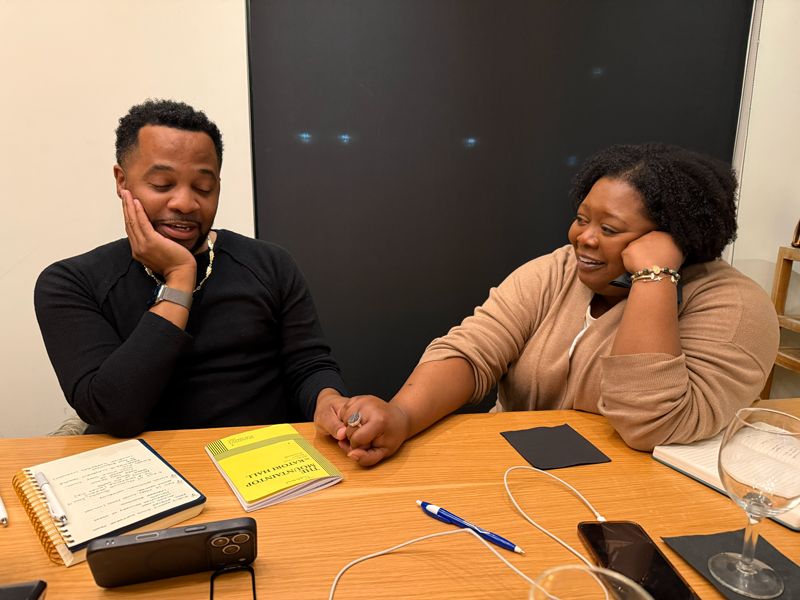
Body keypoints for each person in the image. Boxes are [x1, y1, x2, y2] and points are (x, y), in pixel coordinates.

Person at [315, 143, 780, 466]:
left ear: (674, 240)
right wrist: (401, 414)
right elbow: (474, 348)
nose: (584, 238)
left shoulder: (735, 307)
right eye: (581, 219)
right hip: (517, 472)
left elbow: (651, 424)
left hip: (641, 497)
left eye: (610, 229)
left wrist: (654, 278)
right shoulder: (558, 269)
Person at [35, 99, 348, 437]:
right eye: (162, 185)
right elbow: (114, 413)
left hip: (261, 463)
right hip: (141, 475)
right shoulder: (70, 283)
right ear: (122, 182)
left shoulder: (270, 264)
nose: (185, 203)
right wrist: (180, 278)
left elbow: (308, 367)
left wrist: (329, 400)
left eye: (203, 187)